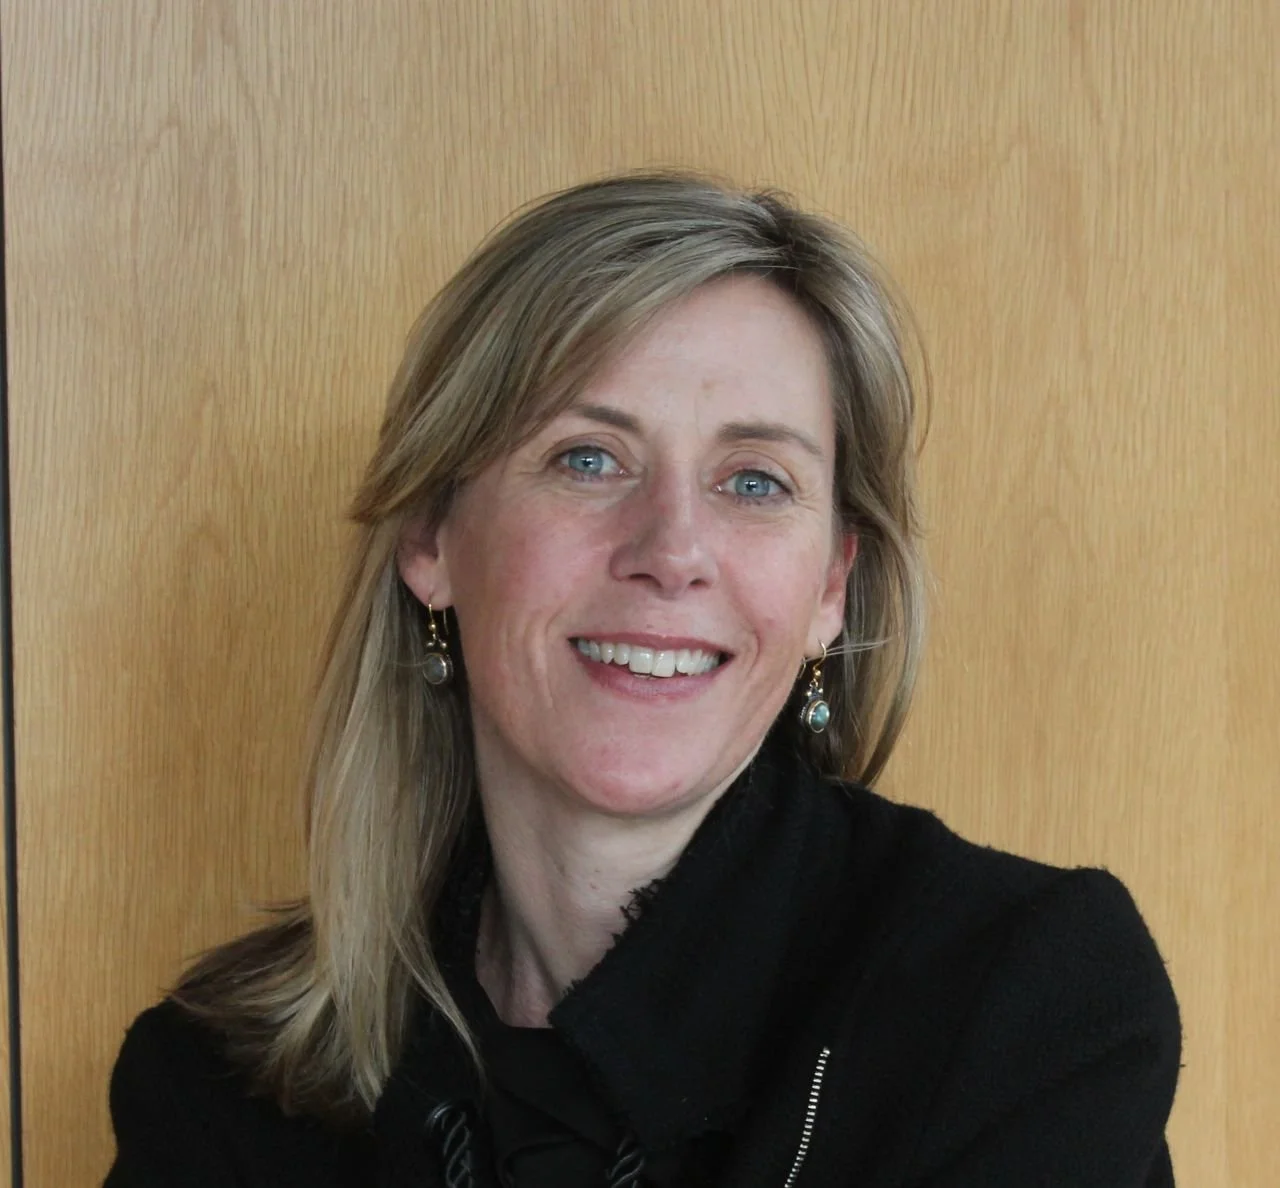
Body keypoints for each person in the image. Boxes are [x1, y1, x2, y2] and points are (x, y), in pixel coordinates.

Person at [104, 172, 1181, 1187]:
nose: (672, 549)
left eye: (753, 480)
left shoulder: (1016, 998)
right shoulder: (223, 1076)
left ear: (828, 590)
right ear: (431, 533)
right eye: (587, 458)